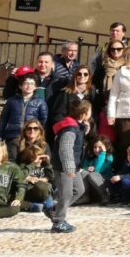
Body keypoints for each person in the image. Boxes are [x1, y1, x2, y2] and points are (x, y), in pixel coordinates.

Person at [49, 99, 92, 233]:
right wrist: (69, 169)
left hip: (75, 166)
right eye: (90, 111)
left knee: (79, 190)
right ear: (84, 114)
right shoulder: (69, 130)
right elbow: (65, 150)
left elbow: (77, 141)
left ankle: (54, 210)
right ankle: (58, 222)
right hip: (65, 168)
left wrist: (84, 128)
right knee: (65, 194)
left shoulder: (76, 127)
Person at [0, 72, 48, 161]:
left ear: (35, 87)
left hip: (31, 138)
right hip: (13, 136)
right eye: (26, 83)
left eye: (31, 84)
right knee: (12, 161)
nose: (28, 86)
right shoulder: (12, 101)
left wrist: (37, 135)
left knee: (28, 161)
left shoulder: (40, 102)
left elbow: (43, 121)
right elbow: (3, 120)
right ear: (20, 86)